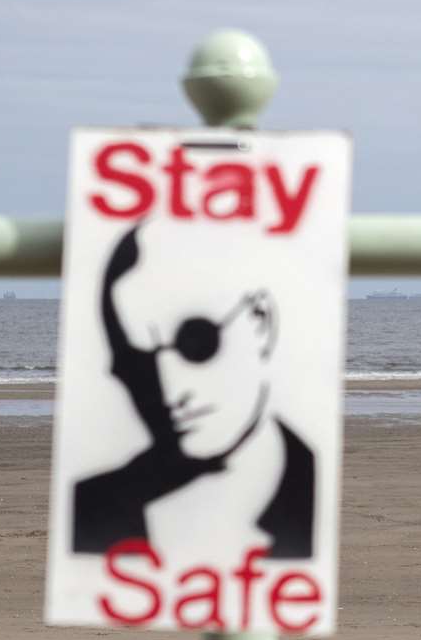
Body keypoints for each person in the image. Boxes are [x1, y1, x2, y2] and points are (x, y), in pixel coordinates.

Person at [71, 223, 314, 559]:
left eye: (195, 345)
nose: (171, 391)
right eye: (138, 362)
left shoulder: (313, 487)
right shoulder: (94, 505)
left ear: (260, 320)